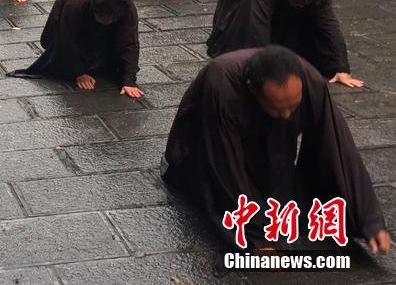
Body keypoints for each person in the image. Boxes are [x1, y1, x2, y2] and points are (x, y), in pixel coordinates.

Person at [162, 46, 390, 255]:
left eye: (294, 106)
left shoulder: (310, 80)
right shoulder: (221, 83)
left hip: (272, 143)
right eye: (279, 108)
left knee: (290, 202)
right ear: (252, 89)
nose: (288, 115)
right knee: (208, 193)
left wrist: (369, 221)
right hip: (204, 146)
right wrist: (256, 240)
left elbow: (338, 148)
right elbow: (223, 163)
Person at [206, 0, 361, 88]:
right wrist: (265, 71)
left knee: (302, 31)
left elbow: (329, 26)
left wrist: (341, 68)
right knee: (243, 38)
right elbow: (257, 26)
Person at [8, 0, 142, 97]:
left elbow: (130, 42)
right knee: (59, 54)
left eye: (110, 19)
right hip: (71, 8)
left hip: (106, 13)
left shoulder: (125, 5)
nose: (107, 21)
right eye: (102, 17)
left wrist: (129, 81)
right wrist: (78, 72)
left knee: (115, 59)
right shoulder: (74, 3)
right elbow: (67, 40)